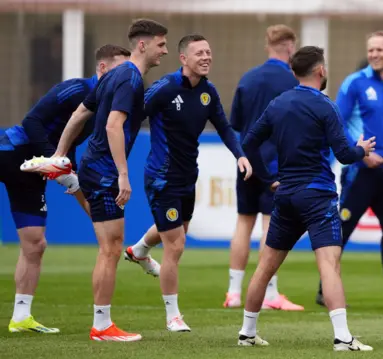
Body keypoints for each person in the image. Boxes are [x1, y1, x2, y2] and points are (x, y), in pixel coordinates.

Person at [237, 46, 374, 351]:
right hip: (318, 196)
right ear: (320, 71)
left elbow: (248, 143)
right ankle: (342, 337)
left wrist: (267, 178)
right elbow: (344, 153)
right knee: (329, 265)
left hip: (285, 196)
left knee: (265, 268)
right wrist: (362, 149)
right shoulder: (325, 106)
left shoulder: (278, 104)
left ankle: (247, 332)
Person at [122, 34, 252, 332]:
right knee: (176, 245)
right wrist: (120, 165)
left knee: (177, 232)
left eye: (209, 51)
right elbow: (130, 118)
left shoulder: (208, 92)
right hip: (161, 178)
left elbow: (224, 128)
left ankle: (139, 249)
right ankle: (172, 316)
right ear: (183, 59)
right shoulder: (165, 89)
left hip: (187, 177)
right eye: (199, 53)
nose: (206, 57)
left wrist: (240, 156)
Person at [52, 18, 169, 341]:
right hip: (103, 172)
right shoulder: (129, 78)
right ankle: (102, 326)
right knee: (111, 248)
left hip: (93, 167)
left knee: (111, 247)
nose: (166, 51)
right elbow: (112, 126)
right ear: (142, 45)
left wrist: (61, 156)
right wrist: (122, 175)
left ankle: (102, 324)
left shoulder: (115, 74)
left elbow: (80, 114)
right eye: (161, 44)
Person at [4, 44, 130, 334]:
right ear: (102, 69)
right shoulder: (75, 90)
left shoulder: (104, 107)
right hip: (8, 152)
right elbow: (31, 122)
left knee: (35, 243)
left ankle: (21, 318)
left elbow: (69, 149)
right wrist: (55, 161)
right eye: (120, 69)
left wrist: (72, 181)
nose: (126, 76)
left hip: (34, 174)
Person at [316, 30, 383, 309]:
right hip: (360, 171)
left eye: (380, 50)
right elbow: (335, 125)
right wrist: (362, 155)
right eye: (371, 50)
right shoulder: (354, 84)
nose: (375, 54)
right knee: (342, 229)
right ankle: (323, 289)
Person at [224, 24, 303, 311]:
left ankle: (233, 292)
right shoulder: (293, 81)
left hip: (246, 160)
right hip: (276, 164)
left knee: (243, 222)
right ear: (291, 47)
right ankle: (270, 293)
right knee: (271, 226)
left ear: (267, 45)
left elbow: (236, 124)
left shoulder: (248, 78)